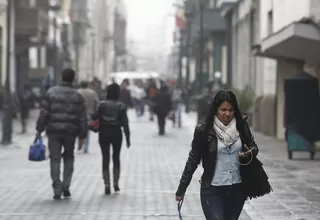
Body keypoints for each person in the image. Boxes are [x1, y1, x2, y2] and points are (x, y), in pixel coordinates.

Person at [175, 90, 259, 220]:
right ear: (215, 110)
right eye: (223, 109)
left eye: (231, 110)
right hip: (212, 190)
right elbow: (193, 160)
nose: (227, 113)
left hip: (236, 189)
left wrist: (248, 153)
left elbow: (254, 147)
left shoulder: (241, 126)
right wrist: (182, 188)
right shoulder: (203, 130)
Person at [36, 68, 87, 200]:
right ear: (73, 79)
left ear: (61, 77)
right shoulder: (77, 96)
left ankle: (57, 188)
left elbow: (44, 113)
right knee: (69, 157)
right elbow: (82, 117)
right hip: (70, 131)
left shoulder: (51, 92)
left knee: (55, 158)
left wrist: (39, 129)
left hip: (53, 131)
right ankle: (66, 186)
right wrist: (82, 134)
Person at [93, 83, 130, 195]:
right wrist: (128, 139)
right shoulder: (121, 106)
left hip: (104, 132)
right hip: (116, 133)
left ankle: (107, 183)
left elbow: (95, 117)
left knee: (105, 157)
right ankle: (116, 182)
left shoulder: (101, 105)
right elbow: (125, 123)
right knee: (116, 157)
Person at [77, 81, 99, 153]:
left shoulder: (77, 92)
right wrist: (95, 112)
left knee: (79, 129)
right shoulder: (92, 93)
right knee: (87, 130)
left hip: (79, 113)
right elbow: (97, 103)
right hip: (89, 113)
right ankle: (86, 146)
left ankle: (80, 143)